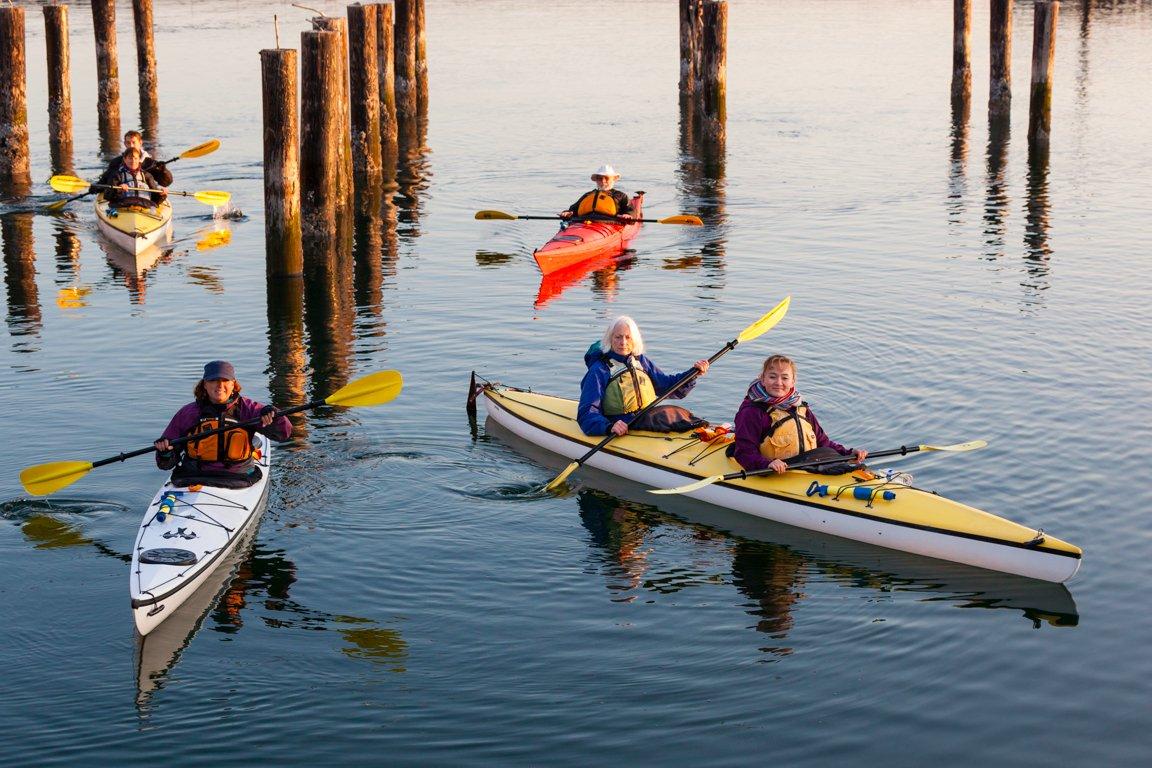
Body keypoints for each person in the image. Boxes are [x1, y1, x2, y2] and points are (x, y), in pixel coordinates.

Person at [153, 361, 293, 488]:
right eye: (213, 380)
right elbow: (165, 464)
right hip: (193, 477)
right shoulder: (188, 414)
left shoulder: (248, 409)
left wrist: (274, 416)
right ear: (204, 385)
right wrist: (165, 452)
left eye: (225, 380)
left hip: (238, 478)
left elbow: (284, 433)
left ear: (233, 384)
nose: (220, 385)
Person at [732, 354, 867, 474]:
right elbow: (744, 452)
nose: (778, 383)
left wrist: (848, 454)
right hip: (774, 472)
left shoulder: (801, 408)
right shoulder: (752, 412)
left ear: (792, 382)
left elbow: (823, 442)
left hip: (808, 468)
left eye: (785, 378)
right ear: (763, 379)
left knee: (831, 455)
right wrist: (767, 464)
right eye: (772, 377)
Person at [577, 316, 709, 436]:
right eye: (618, 337)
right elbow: (587, 411)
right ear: (610, 339)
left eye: (628, 337)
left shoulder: (640, 361)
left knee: (677, 412)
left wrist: (693, 373)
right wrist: (608, 427)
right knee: (665, 414)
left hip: (646, 419)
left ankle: (703, 430)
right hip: (621, 425)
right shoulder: (599, 370)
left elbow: (666, 386)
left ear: (634, 340)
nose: (623, 342)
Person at [95, 146, 167, 207]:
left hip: (145, 206)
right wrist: (118, 190)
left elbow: (155, 199)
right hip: (123, 206)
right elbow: (108, 196)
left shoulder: (147, 176)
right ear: (124, 159)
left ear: (139, 159)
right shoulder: (117, 176)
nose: (133, 161)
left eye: (135, 158)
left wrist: (162, 194)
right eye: (130, 158)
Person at [559, 164, 635, 222]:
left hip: (609, 223)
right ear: (596, 180)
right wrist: (567, 212)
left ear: (613, 179)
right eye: (600, 178)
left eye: (606, 178)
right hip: (585, 222)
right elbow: (574, 209)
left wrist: (628, 215)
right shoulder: (588, 195)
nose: (603, 181)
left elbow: (630, 210)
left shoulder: (621, 196)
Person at [101, 130, 174, 187]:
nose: (131, 146)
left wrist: (164, 171)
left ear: (140, 143)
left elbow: (166, 183)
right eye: (128, 143)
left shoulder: (150, 163)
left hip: (145, 195)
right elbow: (105, 181)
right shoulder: (116, 162)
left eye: (134, 142)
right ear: (125, 144)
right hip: (123, 195)